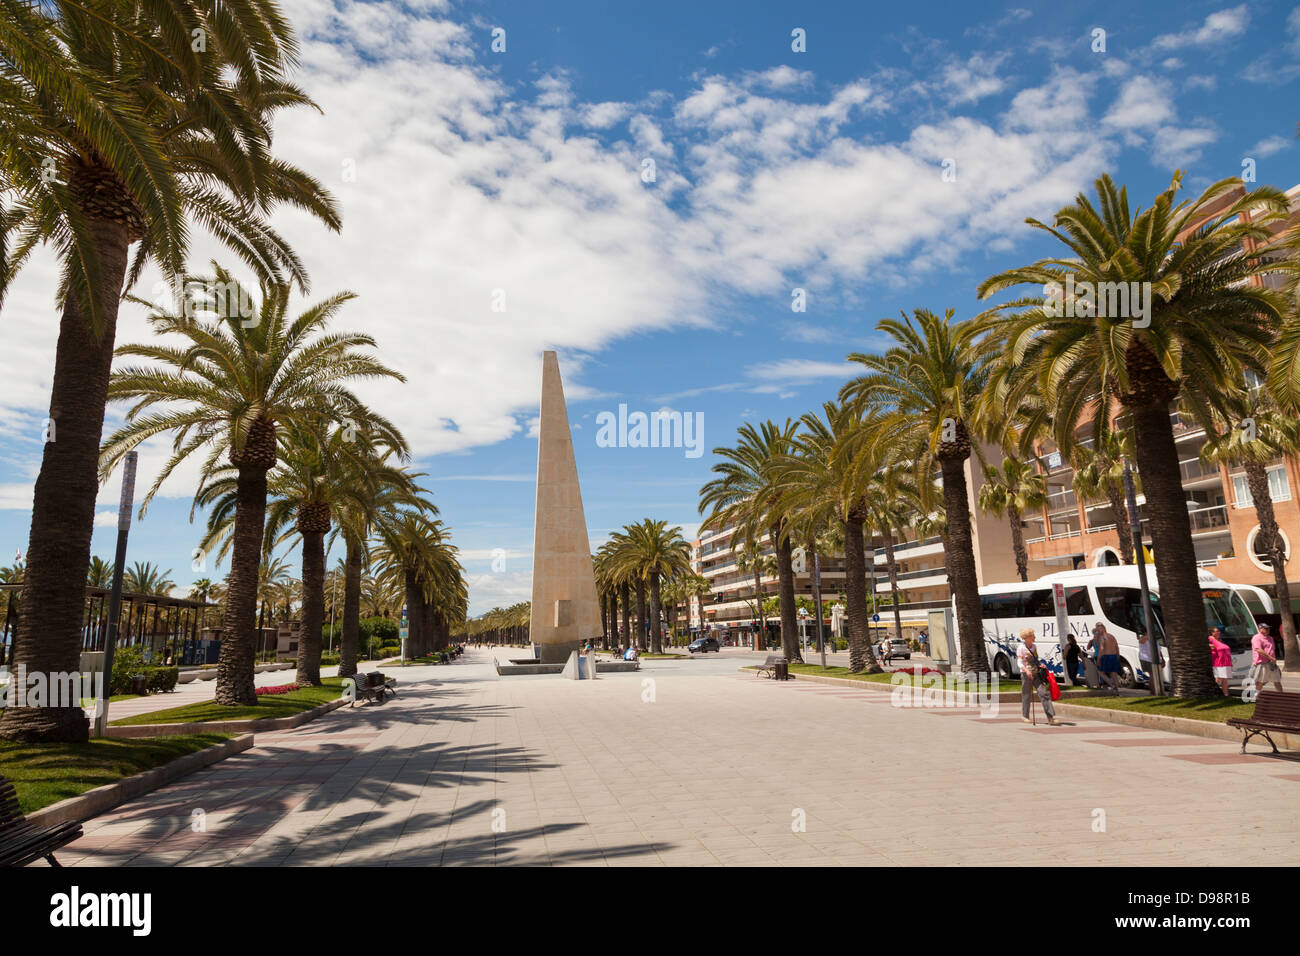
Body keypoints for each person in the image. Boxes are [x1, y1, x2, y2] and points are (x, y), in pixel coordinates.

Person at [1016, 628, 1058, 725]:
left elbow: (1036, 660)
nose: (1034, 637)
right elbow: (1019, 662)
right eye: (1032, 636)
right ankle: (1025, 716)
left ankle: (1050, 718)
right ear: (1027, 638)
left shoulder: (1034, 646)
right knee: (1026, 695)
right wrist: (1026, 671)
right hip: (1026, 674)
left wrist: (1040, 664)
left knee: (1044, 694)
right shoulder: (1021, 648)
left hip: (1036, 673)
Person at [1250, 622, 1283, 693]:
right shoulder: (1256, 638)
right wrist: (1271, 658)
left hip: (1272, 664)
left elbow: (1272, 650)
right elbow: (1258, 650)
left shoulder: (1270, 638)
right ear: (1260, 629)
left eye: (1268, 628)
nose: (1268, 630)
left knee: (1277, 681)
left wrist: (1273, 659)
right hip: (1262, 663)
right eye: (1266, 628)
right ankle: (1257, 696)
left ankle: (1281, 696)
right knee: (1260, 682)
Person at [1089, 623, 1121, 695]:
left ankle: (1112, 685)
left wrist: (1098, 659)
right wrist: (1118, 656)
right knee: (1114, 673)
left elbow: (1101, 649)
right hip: (1114, 656)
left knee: (1100, 672)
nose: (1098, 631)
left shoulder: (1102, 637)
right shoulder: (1111, 636)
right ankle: (1117, 690)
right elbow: (1117, 647)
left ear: (1101, 629)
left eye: (1098, 630)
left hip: (1107, 656)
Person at [1208, 627, 1232, 697]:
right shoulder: (1210, 638)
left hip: (1226, 662)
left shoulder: (1219, 640)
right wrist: (1212, 646)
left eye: (1219, 631)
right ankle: (1213, 694)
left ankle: (1225, 694)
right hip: (1218, 662)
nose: (1218, 632)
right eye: (1216, 631)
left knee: (1225, 679)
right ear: (1212, 633)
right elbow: (1203, 644)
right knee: (1218, 679)